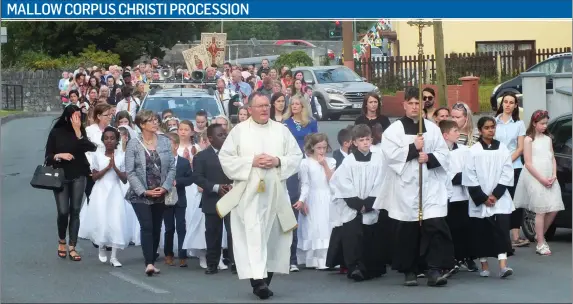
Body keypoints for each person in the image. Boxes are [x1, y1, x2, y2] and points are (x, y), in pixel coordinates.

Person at [217, 92, 303, 299]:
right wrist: (251, 162)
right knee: (252, 236)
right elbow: (226, 158)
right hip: (249, 195)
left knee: (273, 238)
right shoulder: (239, 131)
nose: (265, 109)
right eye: (260, 106)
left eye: (267, 106)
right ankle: (257, 282)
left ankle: (266, 280)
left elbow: (296, 155)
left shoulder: (281, 130)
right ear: (251, 109)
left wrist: (277, 161)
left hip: (275, 194)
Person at [374, 87, 453, 287]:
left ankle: (434, 269)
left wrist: (429, 157)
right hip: (405, 187)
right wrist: (412, 148)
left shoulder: (432, 129)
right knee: (407, 230)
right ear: (404, 105)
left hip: (430, 185)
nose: (414, 107)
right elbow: (390, 155)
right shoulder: (394, 130)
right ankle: (409, 270)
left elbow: (444, 154)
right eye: (411, 103)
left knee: (434, 226)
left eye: (418, 104)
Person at [327, 124, 386, 281]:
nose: (365, 143)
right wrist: (357, 203)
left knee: (370, 237)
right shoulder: (349, 162)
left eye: (368, 139)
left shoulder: (379, 160)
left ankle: (372, 267)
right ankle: (355, 267)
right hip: (353, 206)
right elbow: (340, 183)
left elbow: (382, 181)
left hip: (372, 205)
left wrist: (370, 202)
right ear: (354, 142)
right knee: (353, 237)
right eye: (362, 140)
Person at [125, 110, 176, 276]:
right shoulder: (134, 143)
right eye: (151, 120)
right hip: (140, 194)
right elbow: (130, 172)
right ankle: (149, 263)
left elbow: (171, 167)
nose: (155, 123)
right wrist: (143, 191)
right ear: (142, 124)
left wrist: (166, 187)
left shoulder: (164, 141)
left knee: (155, 227)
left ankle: (152, 256)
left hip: (160, 192)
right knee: (146, 226)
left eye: (156, 120)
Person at [462, 116, 515, 278]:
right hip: (481, 198)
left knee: (501, 230)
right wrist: (483, 197)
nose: (491, 130)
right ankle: (484, 265)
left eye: (493, 127)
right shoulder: (474, 151)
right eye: (487, 127)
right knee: (481, 232)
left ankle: (503, 266)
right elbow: (469, 176)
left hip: (499, 198)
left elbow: (507, 172)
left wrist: (496, 194)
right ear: (480, 130)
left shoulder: (503, 149)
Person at [45, 105, 97, 261]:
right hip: (60, 175)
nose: (78, 119)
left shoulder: (80, 132)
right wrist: (59, 155)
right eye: (75, 116)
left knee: (75, 210)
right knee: (63, 211)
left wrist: (78, 132)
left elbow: (91, 148)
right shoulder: (56, 132)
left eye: (79, 116)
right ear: (67, 117)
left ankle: (72, 245)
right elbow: (48, 156)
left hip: (79, 175)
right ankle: (62, 240)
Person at [513, 110, 564, 255]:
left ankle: (539, 233)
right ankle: (541, 243)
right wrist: (541, 179)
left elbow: (552, 158)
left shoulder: (548, 139)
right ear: (534, 123)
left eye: (546, 123)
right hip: (534, 175)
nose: (544, 126)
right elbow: (528, 163)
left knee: (554, 208)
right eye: (542, 123)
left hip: (549, 175)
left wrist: (553, 174)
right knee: (540, 210)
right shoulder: (529, 140)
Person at [81, 127, 129, 267]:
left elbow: (125, 179)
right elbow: (94, 177)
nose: (109, 141)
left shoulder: (121, 156)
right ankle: (101, 247)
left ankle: (114, 257)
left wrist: (115, 168)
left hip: (115, 191)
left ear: (117, 140)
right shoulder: (97, 155)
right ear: (103, 140)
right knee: (102, 219)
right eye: (106, 138)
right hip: (100, 192)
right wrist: (106, 168)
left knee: (116, 220)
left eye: (112, 138)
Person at [193, 123, 236, 275]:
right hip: (212, 199)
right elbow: (198, 177)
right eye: (220, 135)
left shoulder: (234, 154)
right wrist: (216, 187)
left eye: (225, 134)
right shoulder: (201, 156)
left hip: (233, 198)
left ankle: (236, 263)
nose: (224, 137)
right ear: (210, 138)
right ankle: (212, 263)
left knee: (234, 232)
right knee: (212, 232)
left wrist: (233, 186)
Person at [439, 120, 478, 273]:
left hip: (463, 196)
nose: (458, 133)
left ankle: (466, 257)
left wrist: (465, 176)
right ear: (445, 135)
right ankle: (452, 259)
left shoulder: (464, 150)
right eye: (454, 131)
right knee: (452, 229)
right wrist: (459, 177)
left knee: (465, 229)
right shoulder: (441, 153)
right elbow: (446, 175)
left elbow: (470, 170)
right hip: (449, 197)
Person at [295, 133, 335, 270]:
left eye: (324, 147)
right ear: (312, 147)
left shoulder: (331, 161)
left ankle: (326, 259)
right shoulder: (305, 163)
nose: (322, 151)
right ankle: (313, 259)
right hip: (312, 197)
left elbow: (333, 182)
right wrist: (303, 201)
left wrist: (324, 165)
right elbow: (304, 184)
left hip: (327, 196)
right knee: (313, 227)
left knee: (326, 226)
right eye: (319, 148)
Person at [494, 92, 528, 248]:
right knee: (498, 198)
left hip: (514, 166)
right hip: (496, 166)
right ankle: (499, 235)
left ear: (515, 106)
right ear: (502, 104)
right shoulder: (494, 122)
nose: (508, 105)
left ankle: (515, 236)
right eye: (505, 102)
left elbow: (520, 148)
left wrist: (508, 161)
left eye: (511, 102)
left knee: (515, 201)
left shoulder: (519, 124)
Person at [162, 133, 195, 267]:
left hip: (180, 198)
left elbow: (190, 179)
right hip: (166, 199)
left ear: (176, 145)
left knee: (181, 227)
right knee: (169, 228)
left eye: (168, 144)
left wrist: (178, 182)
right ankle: (168, 254)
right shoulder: (161, 161)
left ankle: (183, 254)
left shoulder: (184, 162)